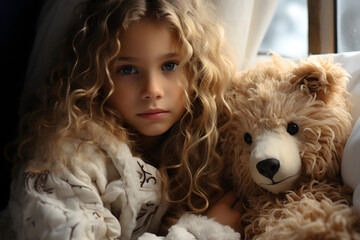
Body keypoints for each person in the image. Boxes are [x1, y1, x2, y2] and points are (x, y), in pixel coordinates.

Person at [4, 0, 242, 239]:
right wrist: (205, 232)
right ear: (96, 77)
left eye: (169, 65)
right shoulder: (66, 158)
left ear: (198, 71)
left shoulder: (203, 149)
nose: (152, 89)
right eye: (128, 70)